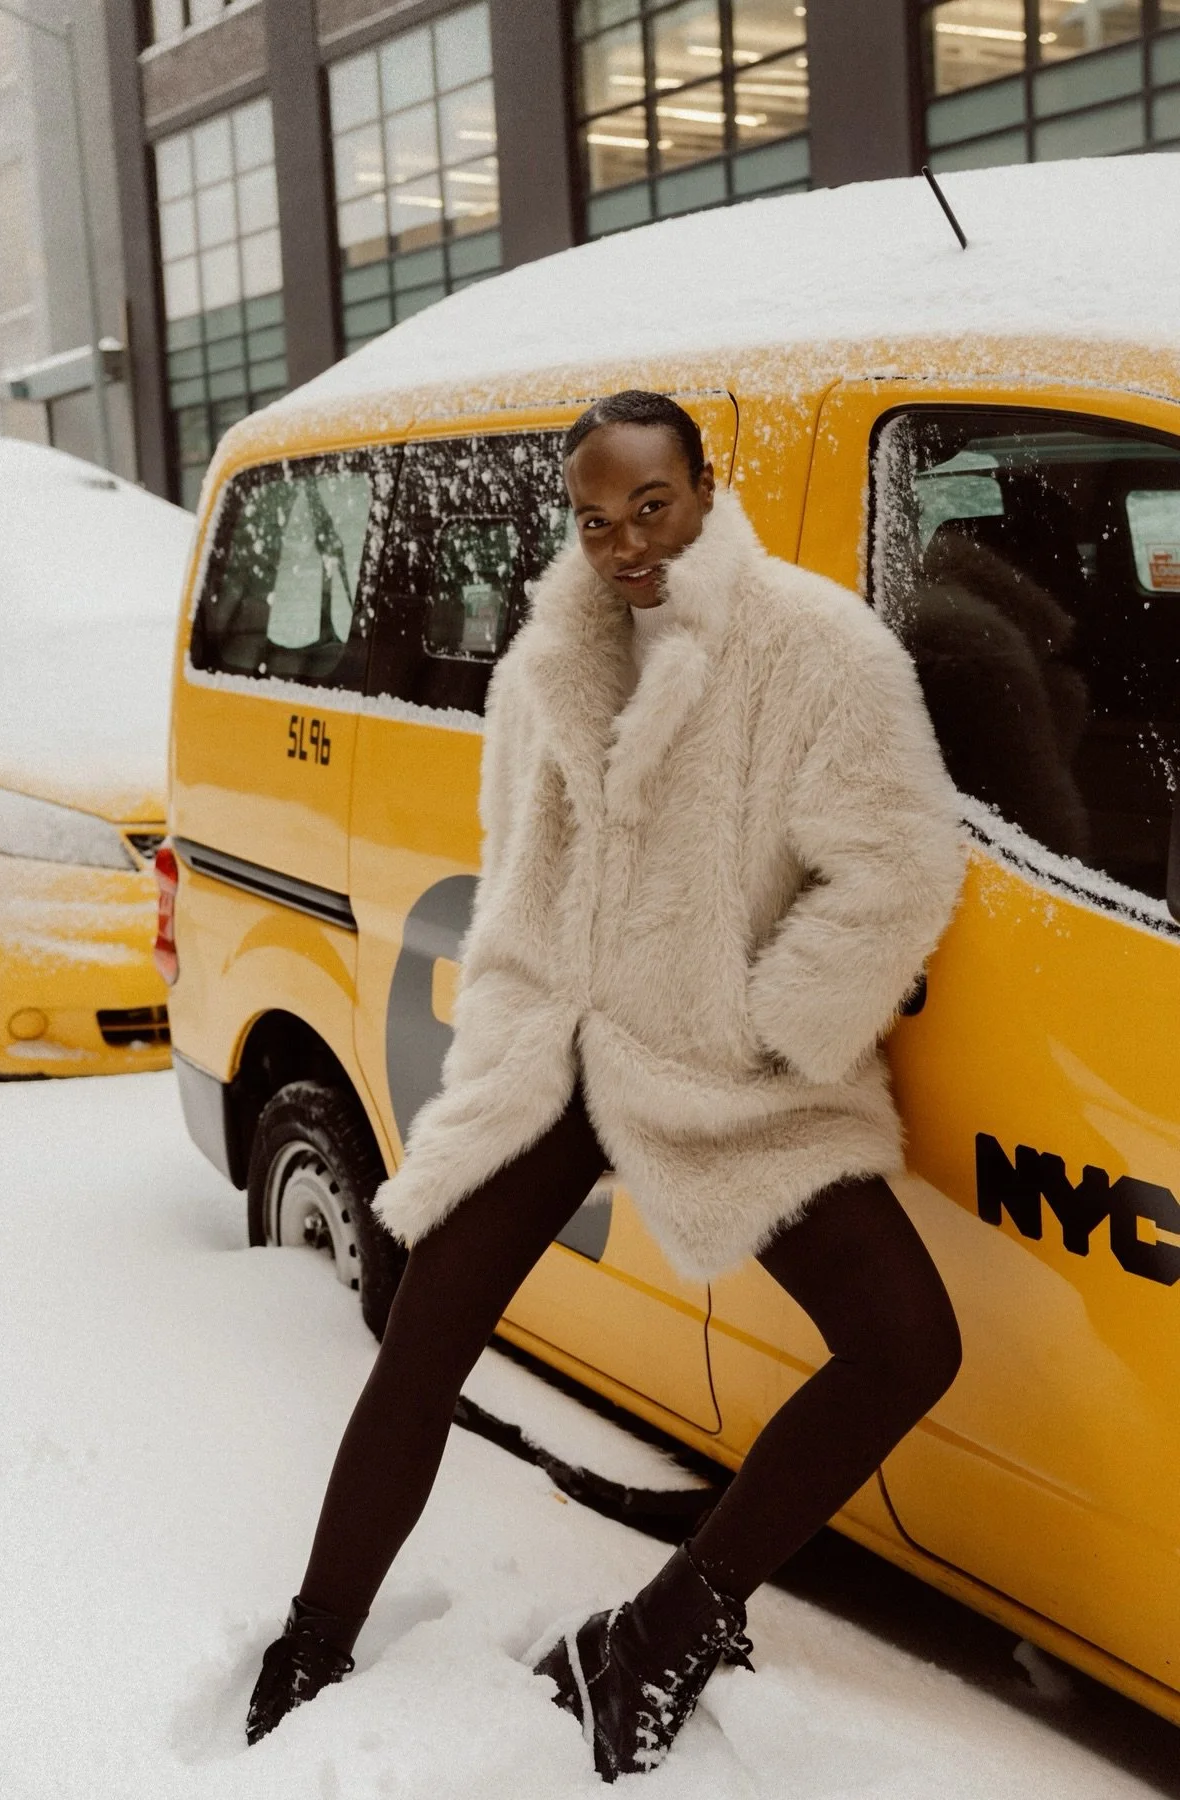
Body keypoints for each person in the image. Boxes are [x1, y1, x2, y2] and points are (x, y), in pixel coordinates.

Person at [245, 390, 966, 1781]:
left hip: (722, 1061)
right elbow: (518, 878)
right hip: (564, 1052)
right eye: (594, 517)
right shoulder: (546, 663)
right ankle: (314, 1641)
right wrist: (510, 1050)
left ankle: (665, 1625)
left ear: (709, 484)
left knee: (907, 1345)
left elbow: (899, 865)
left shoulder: (817, 647)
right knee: (421, 1324)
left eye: (653, 504)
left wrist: (771, 1023)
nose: (626, 541)